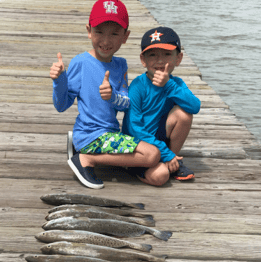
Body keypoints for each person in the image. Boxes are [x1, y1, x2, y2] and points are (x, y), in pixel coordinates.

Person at [50, 0, 161, 189]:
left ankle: (84, 151)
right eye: (99, 32)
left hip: (110, 134)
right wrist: (59, 80)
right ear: (89, 30)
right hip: (90, 134)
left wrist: (112, 96)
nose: (106, 41)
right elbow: (62, 105)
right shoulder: (81, 62)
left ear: (125, 36)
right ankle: (85, 158)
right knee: (152, 155)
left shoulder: (120, 65)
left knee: (158, 173)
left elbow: (125, 104)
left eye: (114, 34)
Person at [122, 26, 201, 185]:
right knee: (160, 177)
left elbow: (195, 106)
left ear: (178, 58)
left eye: (166, 54)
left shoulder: (175, 84)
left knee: (184, 114)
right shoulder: (138, 86)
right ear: (143, 60)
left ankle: (172, 161)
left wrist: (169, 86)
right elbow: (134, 128)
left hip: (160, 143)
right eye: (152, 55)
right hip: (139, 144)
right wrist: (164, 153)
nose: (159, 61)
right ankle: (133, 165)